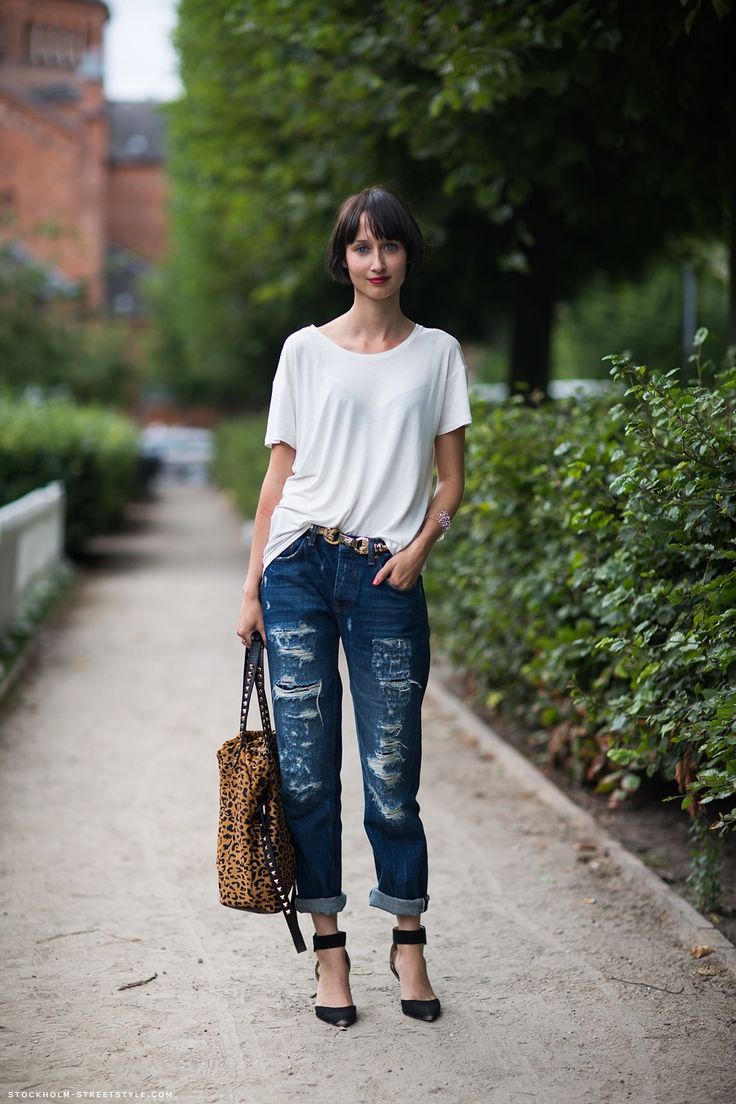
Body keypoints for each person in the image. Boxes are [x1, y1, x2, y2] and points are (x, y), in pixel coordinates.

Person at [236, 184, 471, 1027]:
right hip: (300, 566)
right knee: (303, 775)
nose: (377, 262)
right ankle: (330, 954)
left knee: (390, 775)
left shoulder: (438, 353)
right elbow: (278, 478)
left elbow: (452, 481)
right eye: (362, 248)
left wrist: (422, 545)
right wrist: (253, 583)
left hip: (386, 580)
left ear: (408, 255)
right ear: (344, 258)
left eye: (391, 246)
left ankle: (408, 941)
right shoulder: (304, 352)